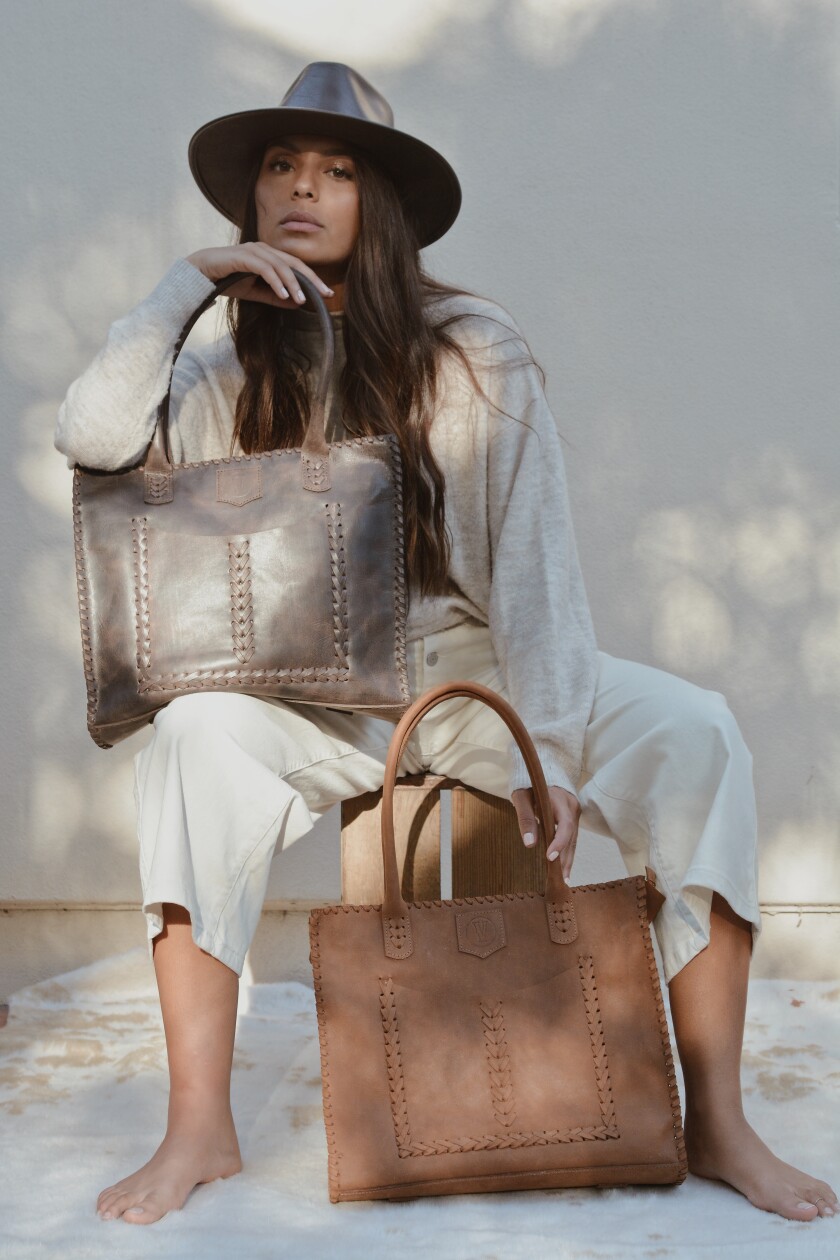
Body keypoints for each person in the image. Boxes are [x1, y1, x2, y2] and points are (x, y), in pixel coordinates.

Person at [55, 62, 836, 1228]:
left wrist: (555, 752)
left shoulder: (470, 345)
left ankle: (718, 1117)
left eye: (335, 169)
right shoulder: (219, 354)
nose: (301, 189)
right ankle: (199, 1128)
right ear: (250, 197)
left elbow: (536, 572)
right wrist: (180, 291)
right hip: (297, 685)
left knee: (697, 733)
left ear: (382, 204)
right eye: (279, 166)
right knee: (188, 743)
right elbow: (92, 438)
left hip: (469, 669)